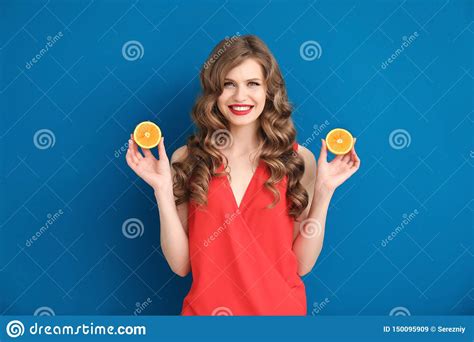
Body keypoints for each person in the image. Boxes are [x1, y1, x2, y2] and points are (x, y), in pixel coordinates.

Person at [126, 34, 360, 315]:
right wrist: (162, 190)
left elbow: (302, 264)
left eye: (252, 84)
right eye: (228, 84)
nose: (240, 96)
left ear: (268, 90)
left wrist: (324, 192)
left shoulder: (298, 160)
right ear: (214, 92)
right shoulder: (187, 160)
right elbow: (180, 265)